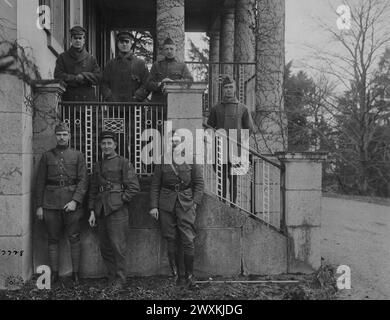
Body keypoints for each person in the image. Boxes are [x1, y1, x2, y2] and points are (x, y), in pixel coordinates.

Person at [149, 130, 204, 288]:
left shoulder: (191, 160)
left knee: (187, 239)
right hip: (166, 203)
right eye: (171, 141)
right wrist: (153, 206)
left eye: (177, 141)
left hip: (186, 203)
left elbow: (199, 184)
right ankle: (176, 275)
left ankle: (190, 277)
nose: (174, 143)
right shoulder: (162, 161)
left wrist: (195, 203)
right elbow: (155, 185)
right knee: (170, 238)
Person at [35, 122, 88, 285]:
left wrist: (75, 201)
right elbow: (40, 182)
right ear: (55, 136)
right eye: (59, 134)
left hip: (72, 204)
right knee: (52, 239)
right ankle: (54, 274)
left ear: (70, 136)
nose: (62, 137)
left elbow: (83, 181)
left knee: (74, 238)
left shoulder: (78, 155)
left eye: (65, 134)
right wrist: (39, 206)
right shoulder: (46, 156)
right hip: (50, 204)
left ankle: (76, 274)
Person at [88, 131, 140, 290]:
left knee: (118, 247)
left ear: (115, 145)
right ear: (100, 146)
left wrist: (120, 200)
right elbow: (93, 190)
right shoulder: (98, 165)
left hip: (118, 211)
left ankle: (120, 279)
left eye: (109, 143)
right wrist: (91, 211)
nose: (106, 146)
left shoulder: (124, 162)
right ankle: (111, 276)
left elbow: (134, 187)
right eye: (103, 143)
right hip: (101, 210)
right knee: (105, 247)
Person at [207, 75, 255, 205]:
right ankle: (221, 204)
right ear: (223, 89)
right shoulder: (216, 108)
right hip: (219, 148)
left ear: (235, 89)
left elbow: (249, 128)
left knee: (233, 180)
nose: (228, 90)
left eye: (230, 87)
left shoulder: (243, 108)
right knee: (221, 178)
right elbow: (209, 127)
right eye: (226, 87)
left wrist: (239, 142)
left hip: (235, 149)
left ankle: (233, 206)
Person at [54, 26, 101, 101]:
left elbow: (98, 77)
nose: (78, 41)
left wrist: (84, 76)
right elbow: (58, 75)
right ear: (71, 40)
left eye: (80, 38)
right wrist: (74, 78)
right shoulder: (63, 57)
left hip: (86, 101)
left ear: (84, 40)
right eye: (75, 38)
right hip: (69, 99)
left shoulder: (91, 59)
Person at [101, 31, 150, 102]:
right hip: (114, 106)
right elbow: (103, 84)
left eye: (127, 42)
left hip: (135, 107)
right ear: (117, 44)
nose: (124, 44)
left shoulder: (140, 64)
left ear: (131, 44)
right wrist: (109, 97)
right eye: (121, 42)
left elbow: (146, 83)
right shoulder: (110, 64)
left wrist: (137, 97)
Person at [147, 37, 193, 103]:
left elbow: (189, 81)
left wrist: (173, 82)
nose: (169, 51)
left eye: (171, 49)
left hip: (176, 102)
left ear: (175, 50)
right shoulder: (156, 65)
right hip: (158, 104)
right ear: (163, 51)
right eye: (166, 49)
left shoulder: (182, 66)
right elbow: (148, 84)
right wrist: (160, 84)